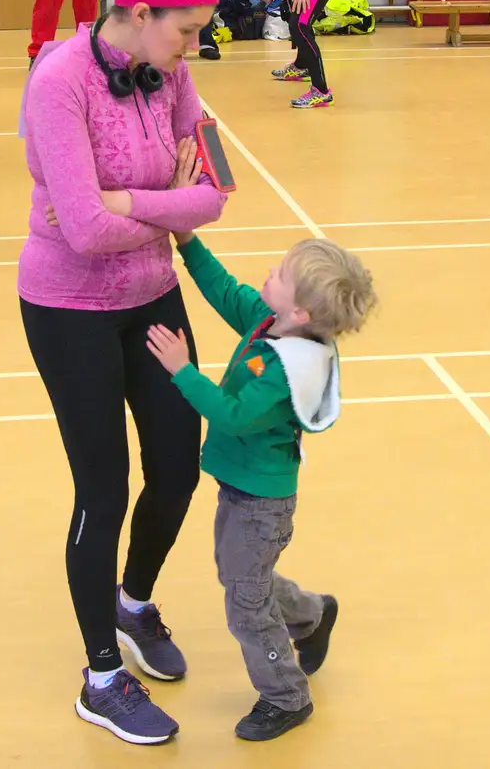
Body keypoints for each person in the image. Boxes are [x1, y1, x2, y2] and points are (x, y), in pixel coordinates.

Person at [18, 0, 226, 745]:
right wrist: (161, 199)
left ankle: (132, 603)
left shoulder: (170, 69)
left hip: (154, 295)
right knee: (102, 490)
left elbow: (217, 190)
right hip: (68, 306)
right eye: (188, 31)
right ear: (140, 14)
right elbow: (84, 226)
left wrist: (130, 199)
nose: (195, 46)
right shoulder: (59, 80)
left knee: (179, 463)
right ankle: (101, 674)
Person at [146, 235, 375, 740]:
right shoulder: (272, 321)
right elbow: (226, 291)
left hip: (261, 503)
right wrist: (187, 241)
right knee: (241, 577)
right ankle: (311, 614)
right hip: (242, 489)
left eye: (280, 273)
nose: (267, 273)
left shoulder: (284, 370)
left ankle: (285, 697)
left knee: (245, 602)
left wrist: (181, 370)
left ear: (298, 308)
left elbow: (232, 416)